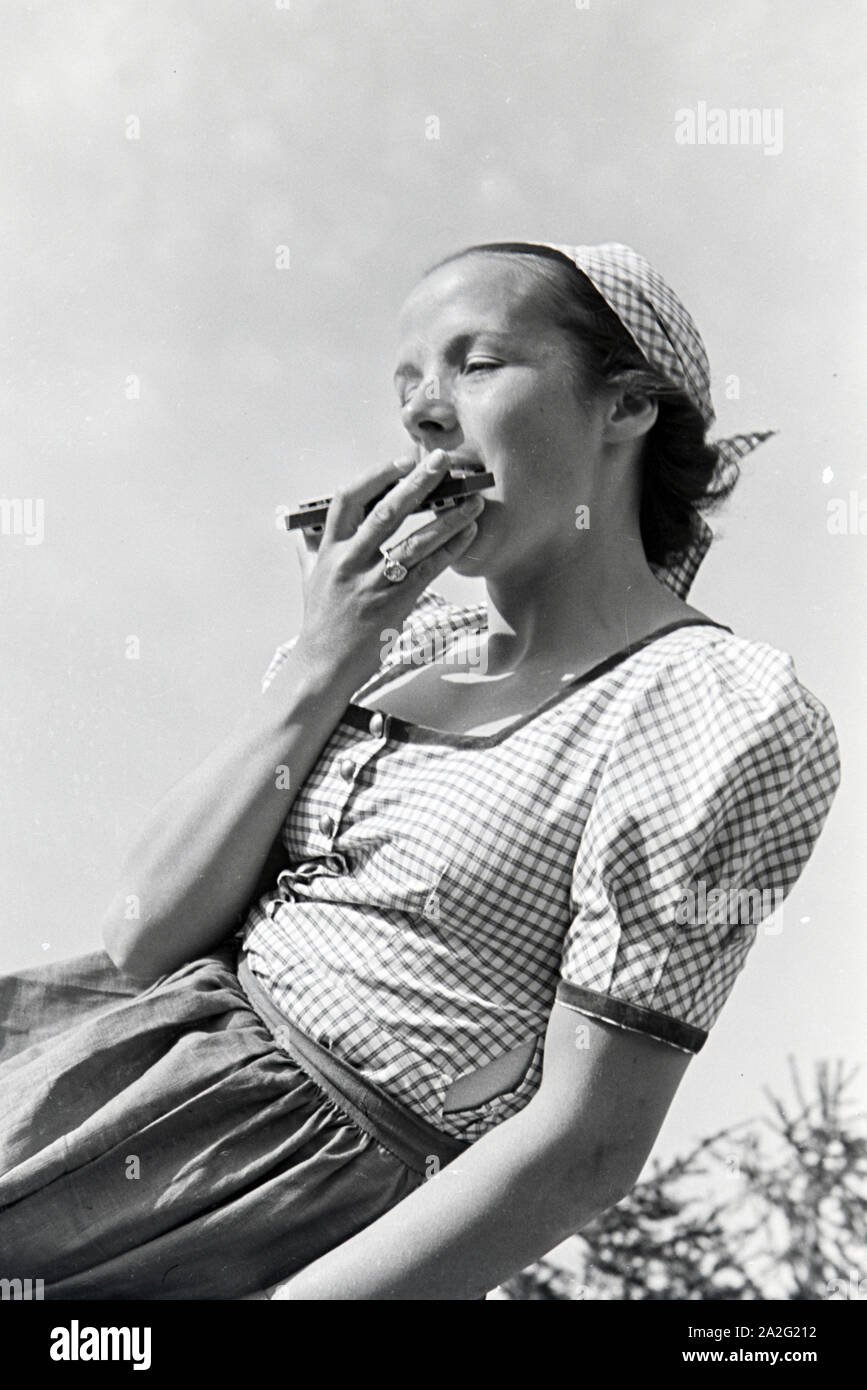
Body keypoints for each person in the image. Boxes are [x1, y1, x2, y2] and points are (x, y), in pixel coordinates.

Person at [0, 241, 841, 1301]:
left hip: (261, 1206)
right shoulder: (391, 646)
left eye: (476, 364)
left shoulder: (713, 705)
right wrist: (320, 660)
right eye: (408, 386)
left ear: (626, 406)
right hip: (79, 1077)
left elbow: (585, 1145)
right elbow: (143, 929)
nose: (424, 415)